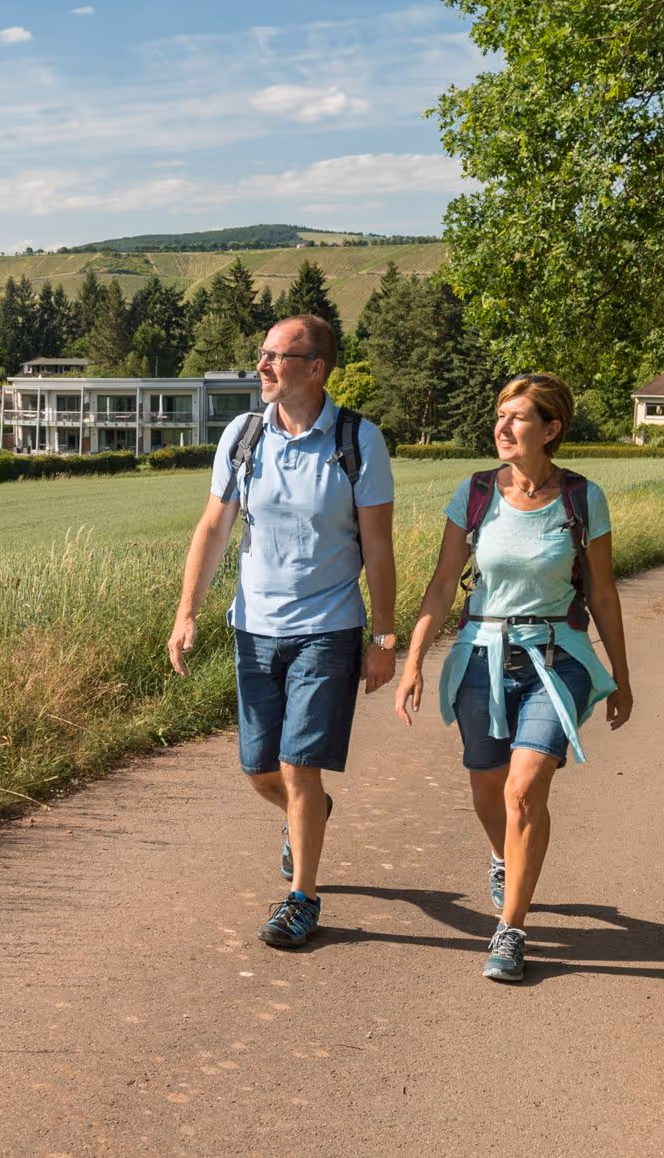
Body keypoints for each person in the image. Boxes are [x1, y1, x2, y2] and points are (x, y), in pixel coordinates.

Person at [392, 372, 634, 983]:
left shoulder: (584, 498)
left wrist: (622, 676)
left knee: (524, 790)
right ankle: (503, 855)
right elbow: (443, 584)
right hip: (481, 654)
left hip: (558, 657)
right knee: (486, 786)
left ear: (550, 430)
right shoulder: (475, 493)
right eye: (500, 415)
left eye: (518, 417)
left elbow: (603, 594)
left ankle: (511, 928)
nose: (502, 427)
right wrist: (413, 660)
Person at [169, 313, 398, 950]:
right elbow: (213, 529)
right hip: (254, 626)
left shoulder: (357, 440)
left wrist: (384, 638)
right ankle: (309, 818)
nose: (263, 367)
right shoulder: (244, 436)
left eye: (277, 357)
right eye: (262, 355)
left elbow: (377, 547)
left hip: (328, 628)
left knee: (299, 766)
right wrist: (186, 612)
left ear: (316, 369)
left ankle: (303, 897)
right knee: (259, 770)